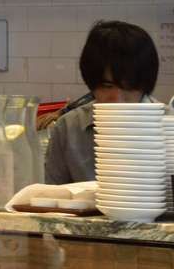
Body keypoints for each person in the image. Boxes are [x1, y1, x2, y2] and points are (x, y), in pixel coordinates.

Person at [44, 20, 160, 184]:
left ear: (144, 84)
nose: (117, 99)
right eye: (107, 86)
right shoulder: (69, 129)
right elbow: (49, 195)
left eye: (129, 87)